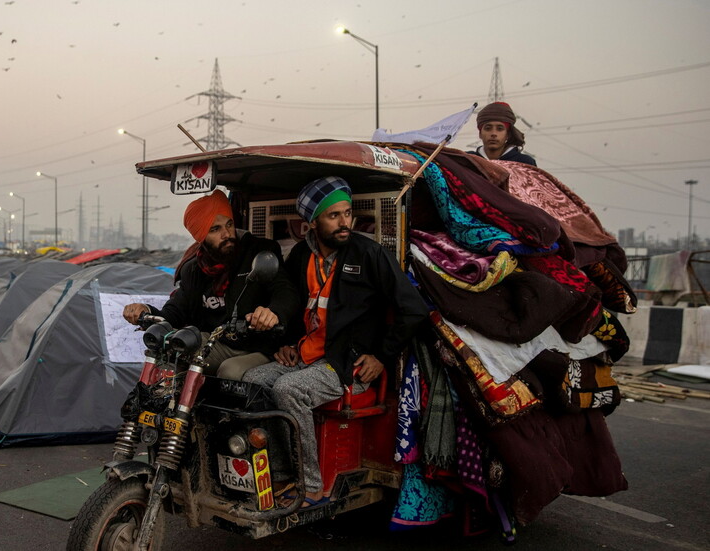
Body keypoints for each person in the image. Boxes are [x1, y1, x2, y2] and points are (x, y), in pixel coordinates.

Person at [243, 176, 429, 508]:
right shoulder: (301, 254)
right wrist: (286, 342)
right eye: (334, 215)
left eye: (347, 213)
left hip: (346, 366)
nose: (345, 222)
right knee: (252, 380)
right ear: (312, 223)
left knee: (288, 389)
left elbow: (414, 310)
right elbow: (291, 302)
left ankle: (312, 487)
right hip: (307, 356)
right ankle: (283, 474)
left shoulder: (369, 253)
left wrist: (381, 356)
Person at [122, 190, 300, 378]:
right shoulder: (193, 269)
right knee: (170, 349)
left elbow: (286, 292)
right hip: (215, 343)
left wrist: (273, 313)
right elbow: (175, 312)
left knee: (230, 371)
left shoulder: (259, 252)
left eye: (229, 224)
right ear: (201, 236)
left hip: (256, 345)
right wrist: (146, 311)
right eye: (215, 229)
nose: (226, 234)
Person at [470, 101, 537, 166]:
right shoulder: (469, 161)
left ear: (508, 134)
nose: (493, 133)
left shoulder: (524, 163)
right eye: (488, 128)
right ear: (480, 133)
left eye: (500, 129)